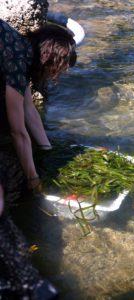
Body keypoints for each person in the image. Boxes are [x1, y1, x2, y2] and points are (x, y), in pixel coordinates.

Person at [0, 18, 77, 299]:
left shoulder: (19, 48)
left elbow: (28, 108)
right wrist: (33, 180)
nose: (57, 75)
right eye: (59, 69)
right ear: (49, 58)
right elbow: (18, 130)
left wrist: (47, 149)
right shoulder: (17, 62)